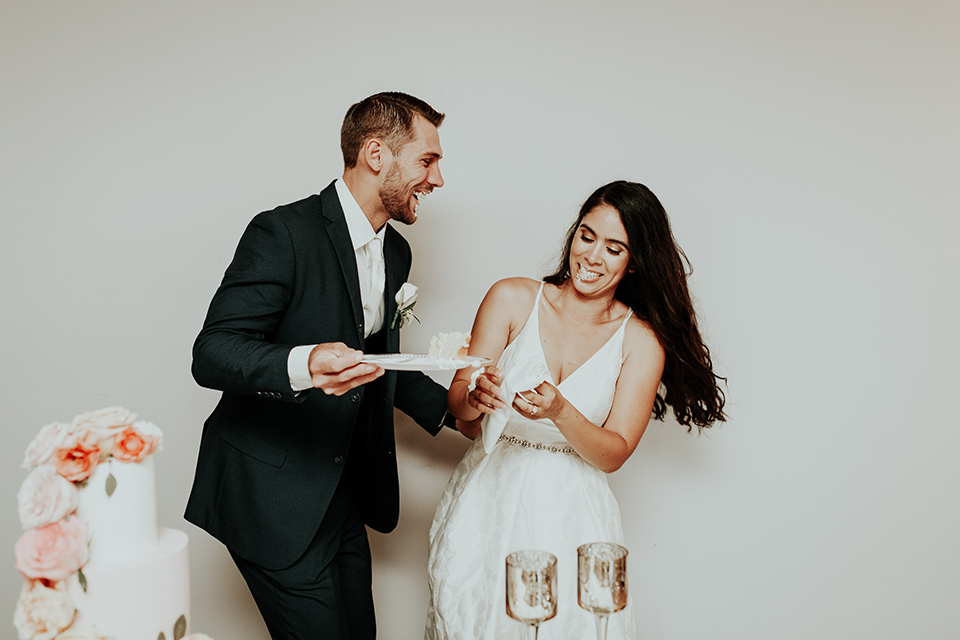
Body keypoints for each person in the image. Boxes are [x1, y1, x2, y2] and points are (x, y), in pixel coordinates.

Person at [185, 92, 462, 640]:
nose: (438, 179)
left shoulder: (395, 252)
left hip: (341, 494)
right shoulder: (282, 233)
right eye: (427, 161)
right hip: (271, 495)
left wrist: (460, 408)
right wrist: (305, 362)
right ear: (376, 154)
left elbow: (380, 364)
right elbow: (212, 351)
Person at [424, 180, 726, 639]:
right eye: (587, 236)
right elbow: (464, 415)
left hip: (575, 513)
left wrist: (561, 411)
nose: (592, 257)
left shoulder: (640, 341)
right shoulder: (512, 298)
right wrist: (474, 396)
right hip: (488, 499)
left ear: (634, 261)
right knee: (472, 622)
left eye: (614, 248)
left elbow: (615, 452)